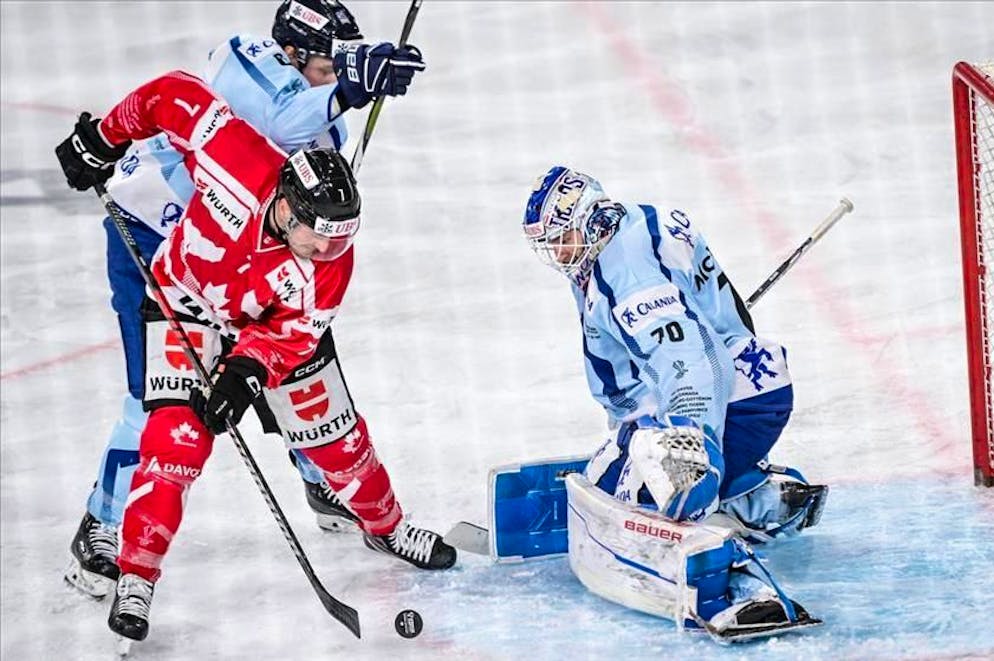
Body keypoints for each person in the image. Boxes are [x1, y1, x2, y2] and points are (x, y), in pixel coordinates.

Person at [54, 64, 456, 641]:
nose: (329, 249)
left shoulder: (331, 263)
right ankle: (137, 578)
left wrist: (245, 371)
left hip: (265, 328)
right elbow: (172, 94)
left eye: (342, 236)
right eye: (320, 235)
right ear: (288, 208)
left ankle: (387, 527)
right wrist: (103, 138)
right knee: (175, 445)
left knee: (338, 444)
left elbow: (292, 334)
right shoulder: (235, 158)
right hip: (183, 305)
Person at [520, 166, 828, 639]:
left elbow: (695, 366)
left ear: (592, 220)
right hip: (747, 384)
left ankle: (741, 589)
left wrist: (693, 450)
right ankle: (759, 497)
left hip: (726, 400)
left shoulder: (628, 280)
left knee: (634, 492)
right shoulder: (638, 223)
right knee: (620, 463)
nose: (558, 254)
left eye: (563, 238)